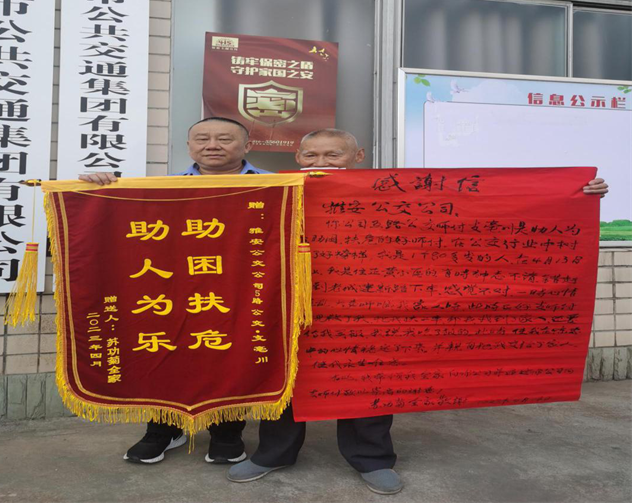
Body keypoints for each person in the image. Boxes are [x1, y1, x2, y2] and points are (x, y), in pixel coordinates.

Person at [227, 128, 609, 494]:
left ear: (358, 157)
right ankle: (273, 454)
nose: (320, 161)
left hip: (369, 308)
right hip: (292, 306)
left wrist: (576, 192)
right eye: (311, 155)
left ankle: (371, 459)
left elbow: (481, 208)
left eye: (333, 154)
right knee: (286, 383)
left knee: (367, 382)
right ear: (297, 156)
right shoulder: (275, 188)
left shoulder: (391, 192)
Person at [79, 116, 269, 465]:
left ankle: (227, 431)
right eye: (202, 138)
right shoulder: (162, 188)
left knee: (232, 355)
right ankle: (163, 429)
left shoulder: (277, 186)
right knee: (164, 351)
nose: (212, 145)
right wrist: (97, 189)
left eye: (224, 138)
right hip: (175, 289)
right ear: (189, 146)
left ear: (247, 146)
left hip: (243, 290)